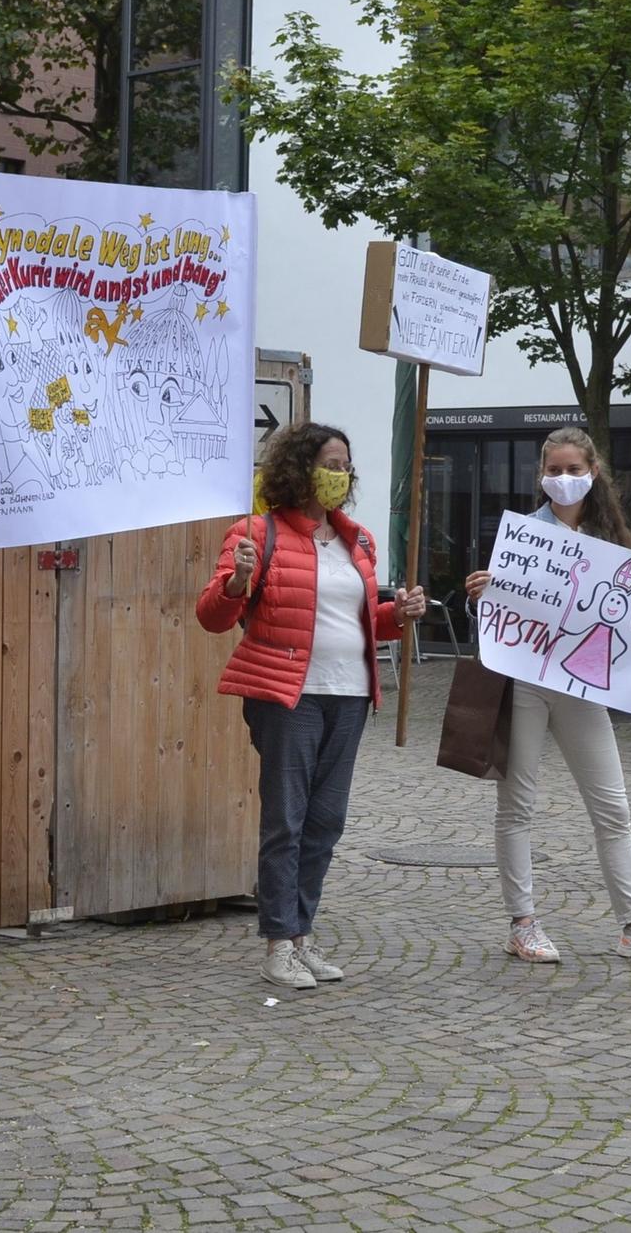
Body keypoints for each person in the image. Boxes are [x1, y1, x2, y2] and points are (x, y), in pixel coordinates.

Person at [196, 422, 424, 990]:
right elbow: (213, 616)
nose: (338, 474)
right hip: (286, 695)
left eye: (345, 465)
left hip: (349, 695)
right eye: (328, 462)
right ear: (298, 468)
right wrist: (237, 581)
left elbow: (365, 623)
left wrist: (398, 616)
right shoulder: (255, 533)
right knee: (287, 821)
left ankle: (300, 936)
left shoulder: (359, 541)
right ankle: (278, 942)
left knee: (325, 822)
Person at [463, 426, 631, 963]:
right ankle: (523, 923)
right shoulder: (522, 537)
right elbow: (497, 624)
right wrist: (482, 598)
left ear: (594, 474)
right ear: (540, 475)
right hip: (524, 683)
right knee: (516, 805)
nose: (564, 479)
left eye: (574, 470)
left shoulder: (614, 546)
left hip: (582, 689)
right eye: (554, 470)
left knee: (612, 806)